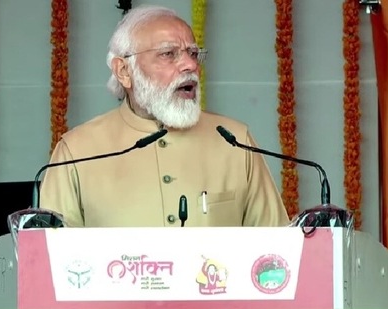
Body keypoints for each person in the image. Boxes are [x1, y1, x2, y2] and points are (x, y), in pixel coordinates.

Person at [39, 4, 290, 228]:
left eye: (193, 53)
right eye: (168, 54)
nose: (190, 65)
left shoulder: (235, 141)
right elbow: (51, 264)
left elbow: (278, 257)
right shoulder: (77, 151)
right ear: (124, 71)